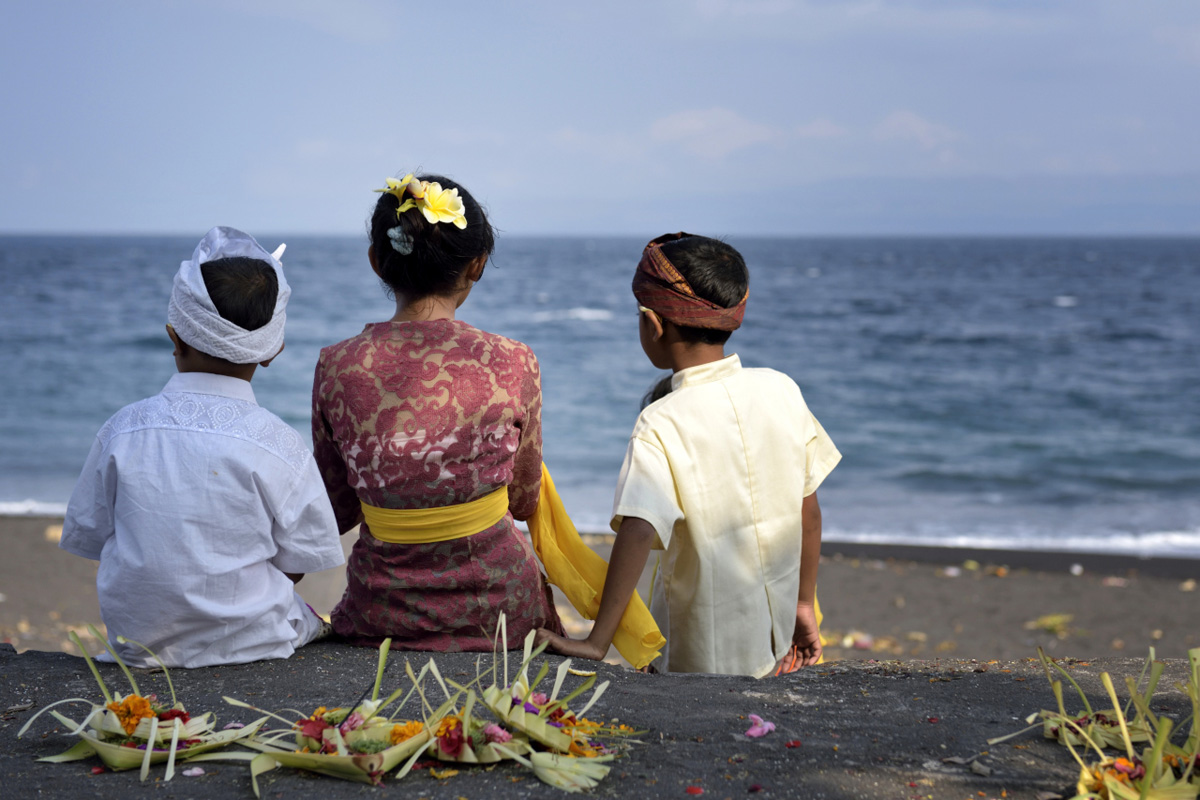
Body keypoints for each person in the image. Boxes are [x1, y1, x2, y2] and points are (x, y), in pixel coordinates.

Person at [538, 233, 841, 677]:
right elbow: (808, 511)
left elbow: (639, 531)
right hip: (773, 644)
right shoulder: (782, 389)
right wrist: (801, 605)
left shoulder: (661, 422)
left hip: (698, 658)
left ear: (652, 324)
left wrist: (598, 641)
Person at [60, 226, 344, 668]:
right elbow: (301, 555)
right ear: (272, 351)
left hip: (139, 647)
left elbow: (94, 535)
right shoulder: (279, 444)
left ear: (174, 337)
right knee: (310, 618)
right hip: (253, 642)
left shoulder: (121, 430)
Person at [313, 173, 564, 651]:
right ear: (477, 265)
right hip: (500, 611)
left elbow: (338, 509)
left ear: (376, 263)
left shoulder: (337, 365)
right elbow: (523, 501)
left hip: (382, 610)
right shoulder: (513, 360)